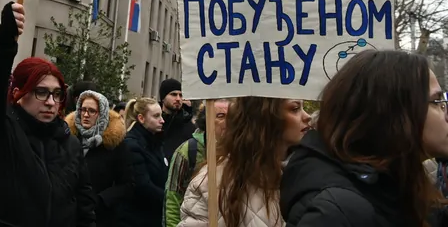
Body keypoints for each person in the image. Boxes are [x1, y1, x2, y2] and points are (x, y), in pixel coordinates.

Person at [0, 2, 96, 227]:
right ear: (19, 93)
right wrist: (2, 43)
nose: (51, 102)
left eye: (57, 94)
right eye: (41, 92)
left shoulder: (71, 145)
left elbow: (84, 209)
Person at [280, 50, 448, 226]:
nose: (446, 114)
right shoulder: (339, 212)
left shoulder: (395, 182)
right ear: (394, 114)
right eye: (437, 102)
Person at [177, 97, 311, 227]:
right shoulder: (210, 181)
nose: (307, 116)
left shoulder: (311, 175)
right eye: (294, 109)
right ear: (265, 117)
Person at [66, 90, 131, 227]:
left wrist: (100, 200)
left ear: (101, 114)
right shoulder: (68, 138)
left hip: (100, 217)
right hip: (68, 213)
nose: (85, 115)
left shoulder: (114, 144)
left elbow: (127, 184)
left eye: (92, 111)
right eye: (83, 109)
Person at [164, 100, 230, 227]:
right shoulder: (187, 151)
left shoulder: (239, 152)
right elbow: (173, 197)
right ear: (207, 121)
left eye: (232, 117)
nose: (228, 122)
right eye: (221, 116)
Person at [118, 97, 166, 227]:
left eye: (161, 115)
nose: (162, 120)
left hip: (151, 216)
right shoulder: (132, 145)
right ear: (141, 118)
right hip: (136, 219)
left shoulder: (154, 142)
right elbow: (143, 186)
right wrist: (169, 199)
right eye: (156, 116)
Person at [159, 79, 195, 161]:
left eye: (181, 95)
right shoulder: (153, 123)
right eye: (173, 94)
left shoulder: (189, 127)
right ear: (163, 98)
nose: (178, 99)